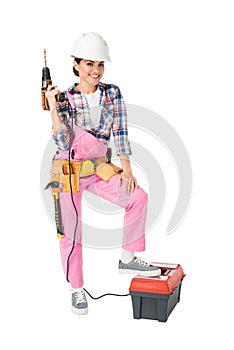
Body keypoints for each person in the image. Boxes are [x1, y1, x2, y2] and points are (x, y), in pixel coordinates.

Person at [46, 32, 161, 315]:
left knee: (138, 197)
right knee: (71, 233)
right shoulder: (66, 98)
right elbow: (62, 142)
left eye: (100, 64)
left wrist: (128, 170)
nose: (95, 70)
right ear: (76, 65)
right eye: (88, 64)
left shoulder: (113, 93)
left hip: (98, 166)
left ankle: (128, 258)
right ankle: (76, 288)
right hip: (68, 170)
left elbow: (120, 132)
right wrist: (52, 107)